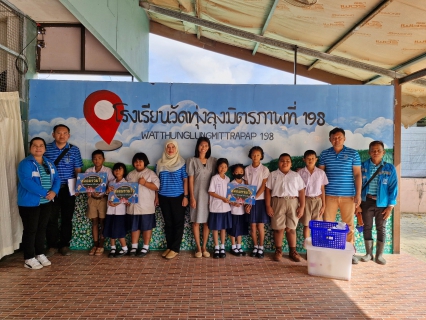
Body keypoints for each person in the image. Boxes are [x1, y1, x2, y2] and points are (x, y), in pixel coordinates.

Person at [318, 127, 362, 264]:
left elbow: (357, 174)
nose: (337, 140)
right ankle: (329, 252)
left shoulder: (353, 154)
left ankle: (349, 253)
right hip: (329, 196)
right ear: (330, 139)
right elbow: (319, 176)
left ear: (344, 139)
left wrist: (358, 194)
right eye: (334, 137)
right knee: (328, 225)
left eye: (339, 137)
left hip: (348, 196)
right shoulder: (324, 154)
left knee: (348, 225)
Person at [17, 137, 61, 269]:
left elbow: (57, 179)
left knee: (41, 229)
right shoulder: (25, 163)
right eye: (35, 145)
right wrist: (46, 193)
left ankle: (39, 253)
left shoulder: (49, 163)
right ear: (30, 148)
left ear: (45, 148)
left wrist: (54, 191)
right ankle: (29, 258)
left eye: (41, 145)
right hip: (30, 203)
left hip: (46, 202)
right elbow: (26, 182)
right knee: (31, 230)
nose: (38, 148)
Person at [356, 141, 397, 265]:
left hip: (382, 204)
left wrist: (390, 207)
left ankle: (379, 255)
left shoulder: (390, 168)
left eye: (379, 150)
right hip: (366, 201)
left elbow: (393, 188)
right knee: (367, 227)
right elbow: (356, 185)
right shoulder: (362, 167)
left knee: (381, 228)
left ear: (383, 152)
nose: (376, 152)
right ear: (369, 152)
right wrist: (357, 205)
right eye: (373, 150)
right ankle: (369, 254)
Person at [44, 124, 83, 256]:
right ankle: (52, 246)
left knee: (67, 218)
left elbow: (78, 169)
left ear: (69, 135)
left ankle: (65, 245)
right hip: (51, 189)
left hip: (68, 188)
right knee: (51, 218)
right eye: (59, 133)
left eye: (65, 133)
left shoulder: (74, 150)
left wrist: (78, 186)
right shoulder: (46, 148)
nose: (62, 135)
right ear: (53, 134)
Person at [265, 153, 305, 262]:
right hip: (277, 202)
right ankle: (278, 251)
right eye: (282, 160)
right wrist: (268, 206)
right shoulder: (273, 175)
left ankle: (293, 251)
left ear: (291, 163)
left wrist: (302, 206)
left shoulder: (296, 176)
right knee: (278, 228)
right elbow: (268, 190)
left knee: (291, 228)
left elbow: (301, 191)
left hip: (293, 202)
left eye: (287, 161)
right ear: (279, 163)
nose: (285, 163)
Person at [156, 140, 189, 260]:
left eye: (173, 147)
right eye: (168, 147)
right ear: (165, 149)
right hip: (163, 197)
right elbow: (157, 182)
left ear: (176, 149)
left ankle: (175, 248)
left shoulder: (182, 162)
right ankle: (169, 247)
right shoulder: (159, 163)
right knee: (168, 223)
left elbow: (185, 180)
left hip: (178, 197)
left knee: (178, 223)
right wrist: (156, 197)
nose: (170, 149)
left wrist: (186, 197)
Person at [186, 137, 217, 258]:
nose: (203, 148)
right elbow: (191, 180)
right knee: (195, 222)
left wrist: (213, 198)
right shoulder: (192, 160)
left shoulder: (213, 161)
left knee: (206, 223)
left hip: (209, 196)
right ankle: (198, 248)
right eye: (201, 145)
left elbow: (215, 180)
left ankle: (204, 247)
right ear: (197, 146)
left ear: (209, 147)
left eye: (206, 146)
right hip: (196, 195)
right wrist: (191, 197)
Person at [126, 153, 160, 257]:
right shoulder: (130, 175)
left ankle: (146, 247)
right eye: (136, 161)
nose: (138, 163)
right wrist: (125, 199)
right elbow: (124, 189)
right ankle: (134, 247)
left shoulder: (151, 174)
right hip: (133, 206)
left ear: (145, 162)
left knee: (146, 227)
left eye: (140, 161)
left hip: (146, 206)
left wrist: (145, 183)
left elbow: (157, 187)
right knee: (134, 227)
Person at [85, 150, 114, 256]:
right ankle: (95, 244)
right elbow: (84, 184)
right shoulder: (89, 171)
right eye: (95, 158)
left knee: (103, 222)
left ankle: (101, 245)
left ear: (103, 159)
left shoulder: (107, 171)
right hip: (92, 199)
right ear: (92, 160)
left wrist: (106, 190)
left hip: (103, 199)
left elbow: (112, 183)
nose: (97, 160)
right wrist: (88, 191)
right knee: (94, 222)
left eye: (99, 158)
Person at [244, 146, 270, 258]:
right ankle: (255, 246)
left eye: (258, 155)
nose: (255, 157)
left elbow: (263, 186)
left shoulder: (265, 169)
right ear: (250, 155)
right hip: (250, 201)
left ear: (261, 156)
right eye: (253, 155)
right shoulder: (247, 169)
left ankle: (261, 247)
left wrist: (253, 199)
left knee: (260, 226)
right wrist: (248, 202)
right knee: (253, 226)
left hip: (260, 200)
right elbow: (246, 186)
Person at [298, 150, 328, 240]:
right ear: (304, 160)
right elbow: (299, 190)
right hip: (305, 200)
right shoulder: (300, 173)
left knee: (317, 226)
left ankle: (316, 247)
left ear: (316, 159)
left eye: (312, 158)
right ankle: (307, 248)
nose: (310, 160)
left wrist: (324, 205)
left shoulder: (321, 173)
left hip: (317, 201)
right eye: (308, 158)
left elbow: (322, 189)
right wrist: (300, 205)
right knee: (307, 225)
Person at [208, 158, 232, 259]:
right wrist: (222, 198)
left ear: (227, 168)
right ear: (217, 167)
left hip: (226, 208)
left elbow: (229, 194)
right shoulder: (214, 178)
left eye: (225, 167)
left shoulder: (228, 179)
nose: (223, 168)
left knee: (223, 228)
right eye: (221, 166)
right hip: (216, 208)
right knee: (215, 228)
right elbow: (211, 192)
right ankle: (216, 247)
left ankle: (222, 247)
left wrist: (230, 200)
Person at [104, 163, 129, 258]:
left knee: (119, 230)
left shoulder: (126, 183)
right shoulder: (111, 183)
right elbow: (107, 194)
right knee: (111, 229)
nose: (117, 171)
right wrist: (107, 191)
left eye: (120, 169)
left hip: (120, 212)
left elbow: (126, 198)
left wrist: (116, 203)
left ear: (124, 171)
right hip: (110, 211)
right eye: (116, 170)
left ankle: (124, 248)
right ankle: (113, 248)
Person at [227, 164, 249, 257]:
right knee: (233, 229)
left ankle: (239, 247)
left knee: (240, 229)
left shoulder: (246, 184)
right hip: (234, 211)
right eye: (236, 172)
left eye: (241, 172)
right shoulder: (231, 184)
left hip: (243, 211)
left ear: (243, 172)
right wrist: (233, 203)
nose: (239, 173)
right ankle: (233, 247)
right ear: (233, 173)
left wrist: (247, 203)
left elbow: (249, 197)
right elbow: (228, 198)